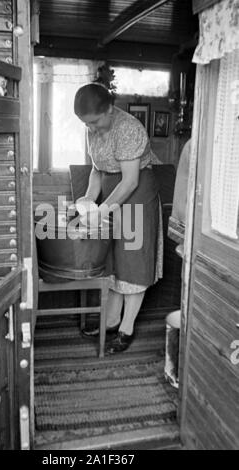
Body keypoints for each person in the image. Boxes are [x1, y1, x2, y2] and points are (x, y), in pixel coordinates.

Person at [73, 83, 163, 355]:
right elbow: (97, 170)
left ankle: (126, 328)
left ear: (110, 109)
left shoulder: (129, 129)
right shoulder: (93, 130)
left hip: (136, 196)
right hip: (113, 195)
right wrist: (89, 198)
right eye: (86, 124)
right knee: (112, 259)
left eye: (95, 122)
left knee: (133, 262)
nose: (91, 129)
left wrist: (101, 211)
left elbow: (131, 181)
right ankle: (110, 320)